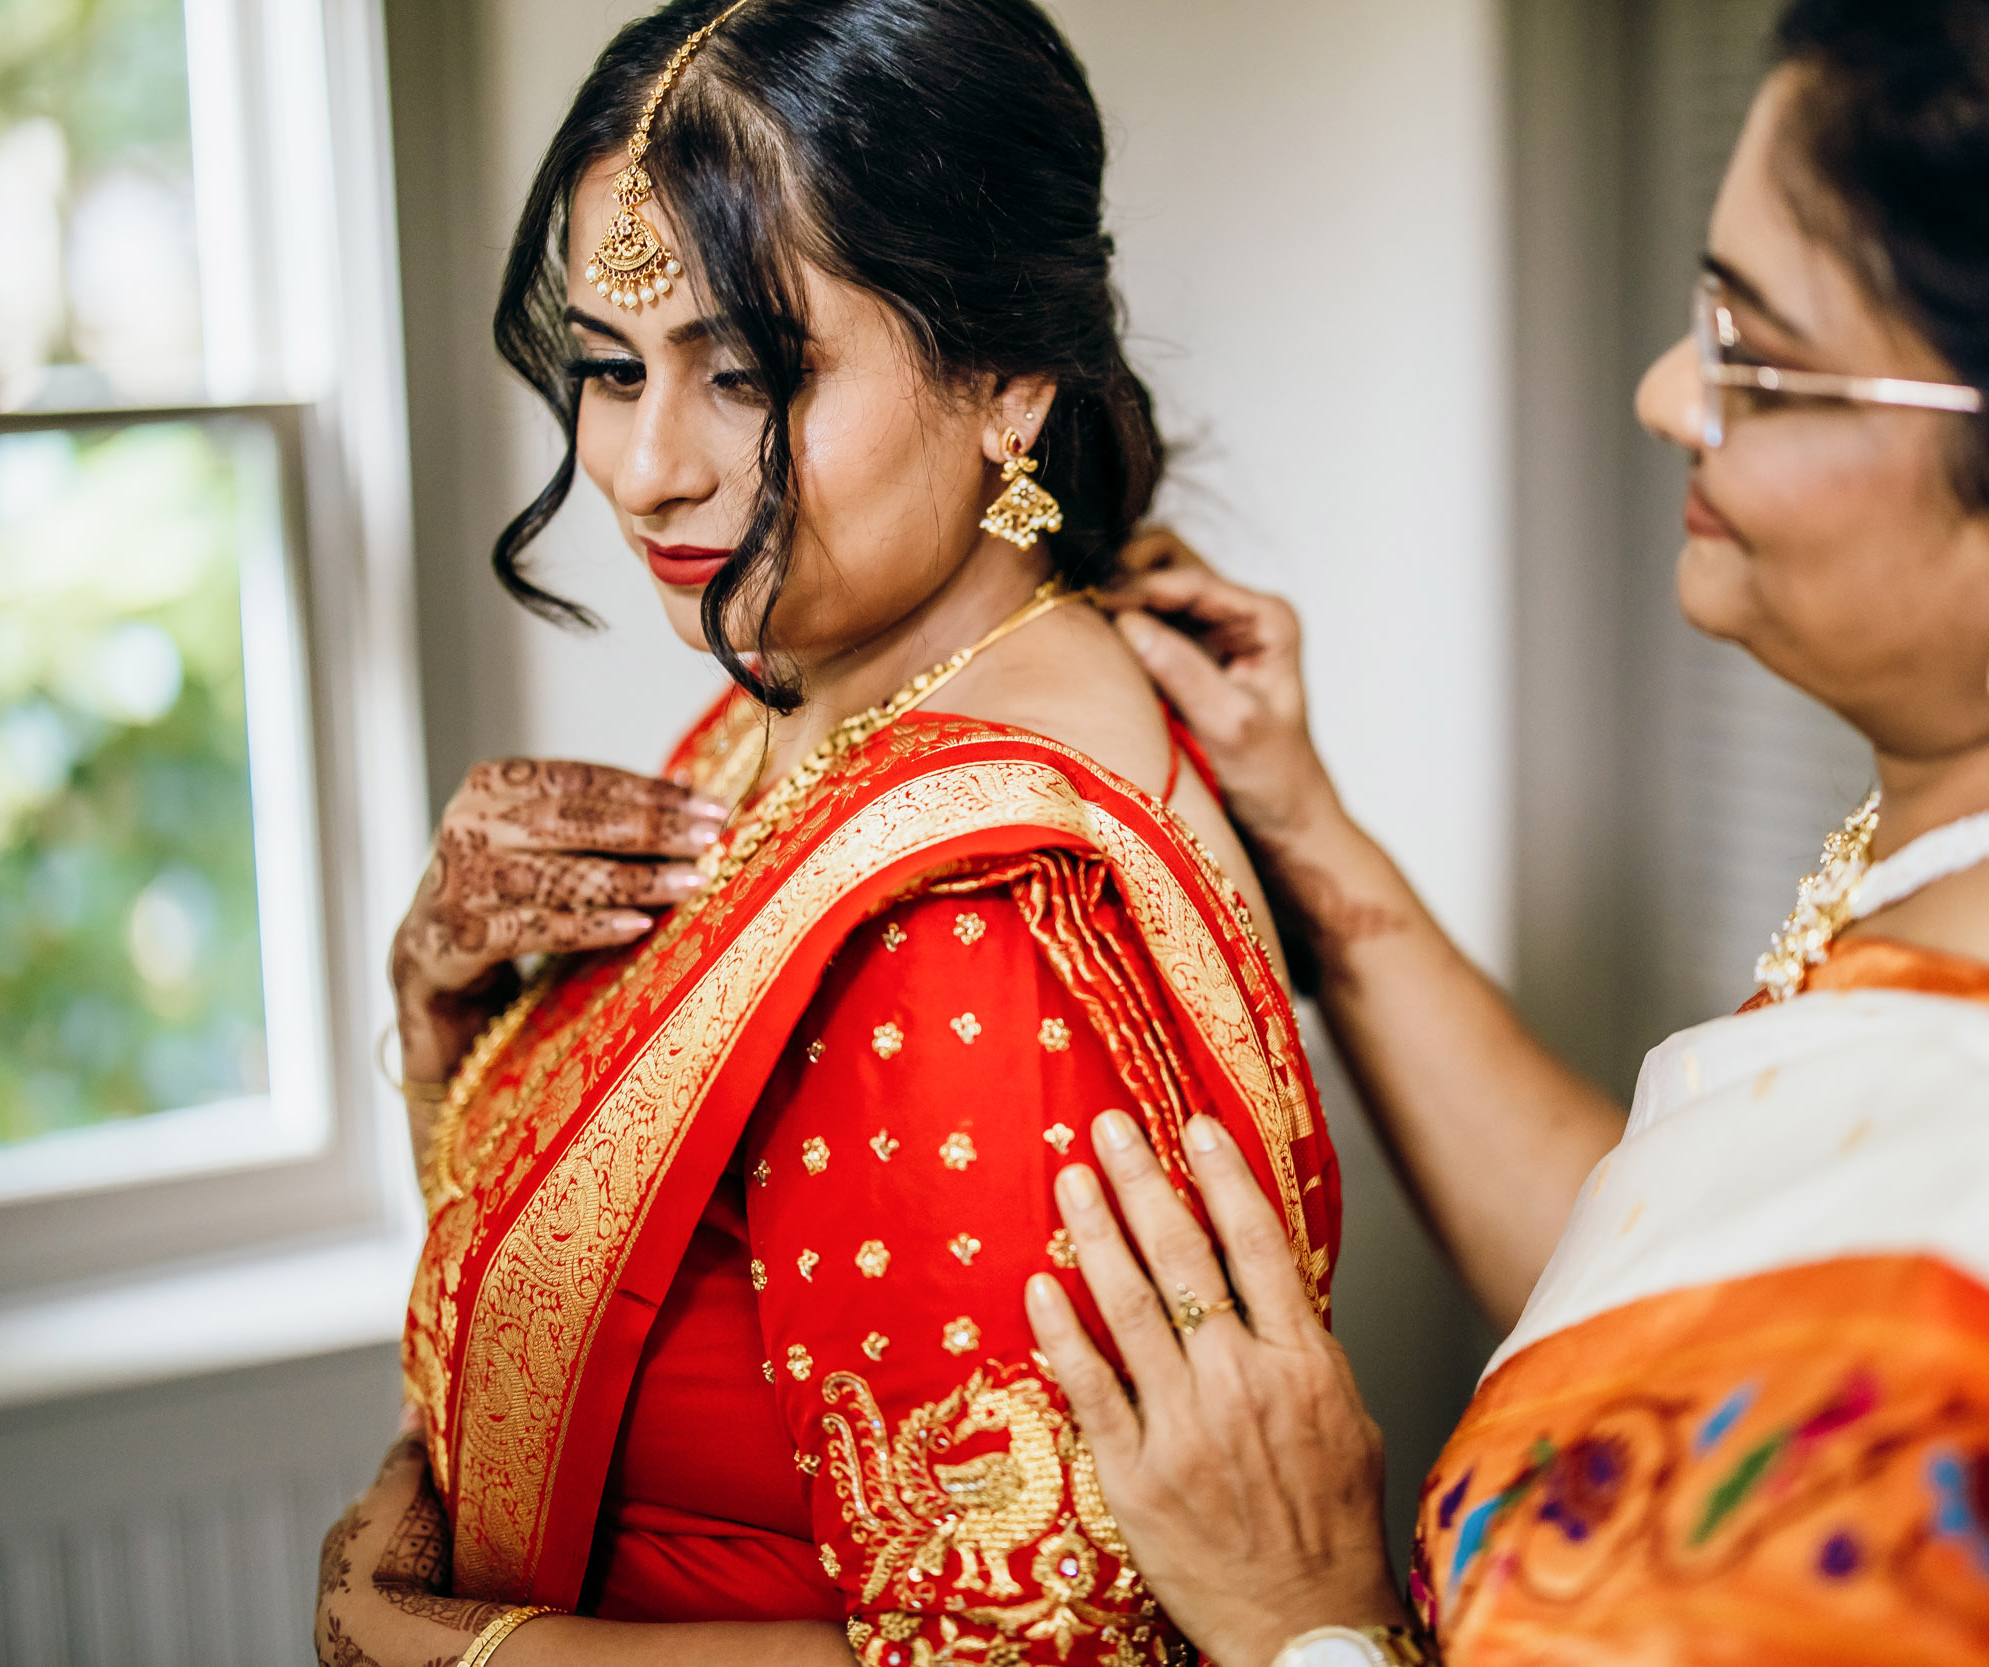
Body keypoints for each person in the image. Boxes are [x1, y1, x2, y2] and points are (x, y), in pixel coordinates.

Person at [1031, 1, 1989, 1664]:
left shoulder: (1977, 1389)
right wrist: (1311, 836)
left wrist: (1299, 1612)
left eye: (1757, 359)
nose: (1665, 394)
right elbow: (1685, 1293)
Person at [310, 4, 1340, 1664]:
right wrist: (447, 1021)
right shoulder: (808, 691)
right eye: (610, 369)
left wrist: (450, 1649)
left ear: (1008, 384)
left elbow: (1030, 1652)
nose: (645, 469)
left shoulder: (971, 925)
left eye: (748, 374)